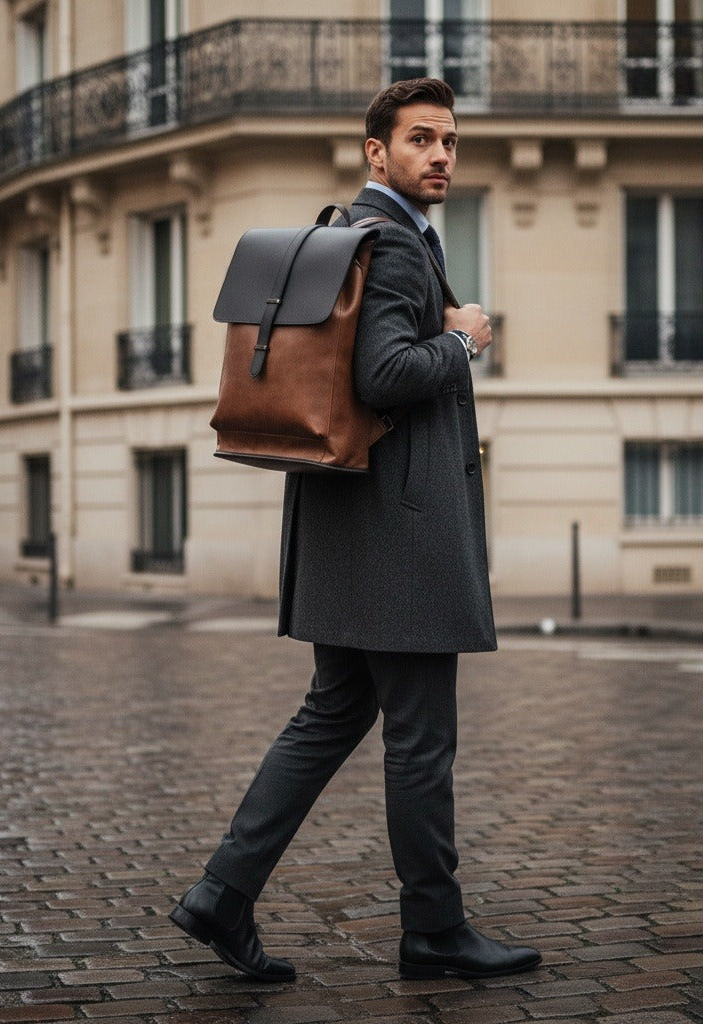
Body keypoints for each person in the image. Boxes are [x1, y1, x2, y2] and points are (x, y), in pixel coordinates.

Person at [170, 77, 542, 983]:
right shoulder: (400, 248)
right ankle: (435, 929)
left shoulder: (355, 234)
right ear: (378, 152)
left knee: (333, 710)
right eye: (422, 140)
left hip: (345, 516)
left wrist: (440, 331)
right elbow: (382, 374)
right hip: (400, 530)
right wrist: (465, 340)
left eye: (450, 141)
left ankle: (224, 892)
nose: (442, 156)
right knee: (420, 736)